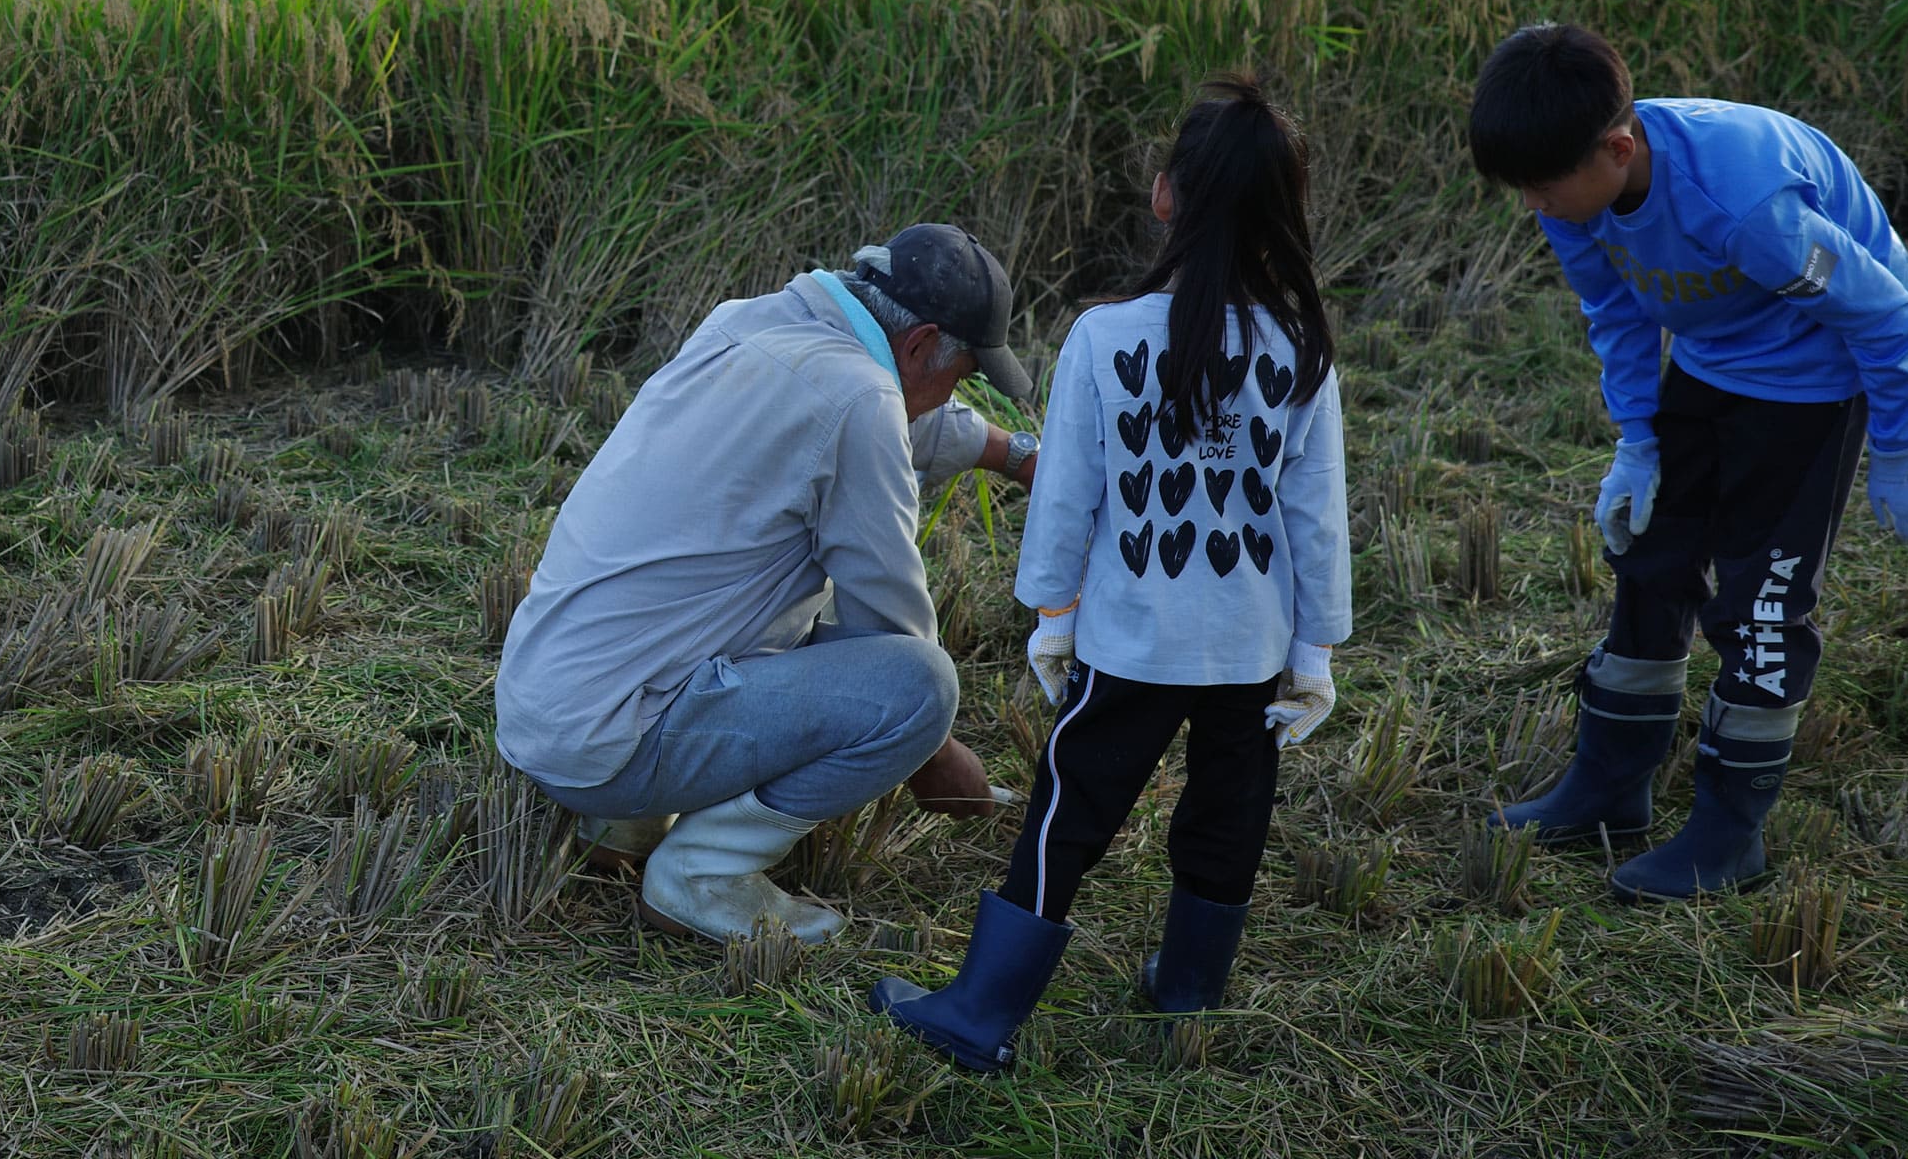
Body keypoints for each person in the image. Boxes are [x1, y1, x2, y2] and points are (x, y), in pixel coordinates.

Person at [876, 77, 1349, 1072]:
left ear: (1164, 192)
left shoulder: (1105, 336)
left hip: (1129, 636)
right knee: (1230, 815)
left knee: (1067, 812)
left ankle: (982, 1008)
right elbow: (1313, 515)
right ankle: (1186, 991)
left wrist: (1053, 612)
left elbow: (1069, 496)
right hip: (1248, 646)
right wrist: (1314, 651)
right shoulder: (1301, 347)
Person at [1471, 23, 1908, 900]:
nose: (1533, 206)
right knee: (1649, 560)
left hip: (1811, 385)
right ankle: (1611, 787)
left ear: (1618, 146)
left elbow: (1882, 312)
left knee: (1761, 603)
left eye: (1542, 186)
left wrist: (1901, 447)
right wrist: (1638, 441)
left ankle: (1731, 830)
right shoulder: (1578, 197)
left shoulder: (1744, 205)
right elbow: (1616, 313)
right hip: (1709, 362)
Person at [494, 223, 1043, 944]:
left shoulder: (748, 322)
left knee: (773, 613)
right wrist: (933, 753)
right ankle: (703, 873)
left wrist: (1017, 456)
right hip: (615, 740)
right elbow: (887, 622)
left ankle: (622, 824)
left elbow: (901, 417)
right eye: (963, 374)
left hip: (550, 707)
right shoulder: (859, 401)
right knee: (919, 687)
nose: (953, 392)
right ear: (919, 345)